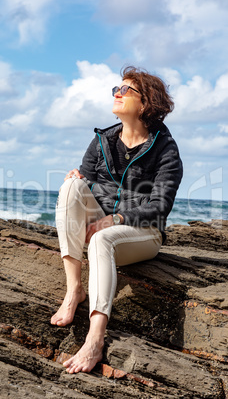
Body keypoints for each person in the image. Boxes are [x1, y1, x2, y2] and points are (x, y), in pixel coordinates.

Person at [50, 65, 183, 374]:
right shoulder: (102, 140)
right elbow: (86, 180)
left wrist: (116, 218)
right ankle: (74, 290)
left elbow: (160, 207)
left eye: (126, 90)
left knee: (101, 237)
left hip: (143, 233)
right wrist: (78, 181)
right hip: (103, 221)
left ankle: (95, 339)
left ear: (146, 103)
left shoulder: (165, 150)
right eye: (116, 89)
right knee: (70, 185)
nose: (117, 94)